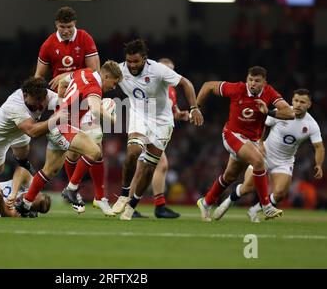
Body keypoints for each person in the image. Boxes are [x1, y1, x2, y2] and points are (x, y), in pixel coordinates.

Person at [111, 39, 204, 220]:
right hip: (138, 117)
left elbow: (186, 83)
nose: (132, 65)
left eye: (136, 61)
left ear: (145, 59)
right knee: (133, 152)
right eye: (129, 61)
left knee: (149, 168)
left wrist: (194, 108)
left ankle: (132, 207)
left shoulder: (158, 70)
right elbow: (99, 77)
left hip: (161, 122)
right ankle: (123, 195)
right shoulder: (120, 70)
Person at [16, 61, 123, 217]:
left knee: (49, 171)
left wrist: (61, 102)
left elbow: (63, 82)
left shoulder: (84, 72)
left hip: (55, 124)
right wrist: (114, 120)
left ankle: (26, 203)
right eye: (113, 83)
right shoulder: (94, 88)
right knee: (95, 152)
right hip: (65, 127)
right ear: (106, 76)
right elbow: (94, 107)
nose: (113, 87)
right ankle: (71, 189)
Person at [195, 66, 295, 222]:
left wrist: (268, 111)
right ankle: (266, 206)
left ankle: (206, 202)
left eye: (257, 81)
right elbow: (208, 85)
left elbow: (290, 113)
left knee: (230, 176)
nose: (252, 84)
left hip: (251, 141)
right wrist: (196, 108)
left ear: (264, 82)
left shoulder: (269, 93)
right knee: (258, 161)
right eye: (250, 80)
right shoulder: (237, 89)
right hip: (231, 134)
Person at [35, 7, 109, 213]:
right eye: (62, 27)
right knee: (73, 152)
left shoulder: (84, 38)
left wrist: (68, 76)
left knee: (96, 143)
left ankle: (97, 195)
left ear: (74, 24)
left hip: (85, 97)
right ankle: (73, 190)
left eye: (69, 27)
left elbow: (95, 71)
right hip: (64, 101)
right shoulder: (49, 44)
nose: (66, 30)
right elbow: (39, 77)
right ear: (56, 25)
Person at [212, 88, 324, 222]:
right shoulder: (281, 113)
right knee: (248, 187)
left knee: (280, 194)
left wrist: (318, 165)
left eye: (302, 102)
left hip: (284, 161)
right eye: (296, 100)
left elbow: (319, 147)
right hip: (264, 155)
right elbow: (261, 124)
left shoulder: (312, 125)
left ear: (309, 104)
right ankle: (228, 201)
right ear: (292, 100)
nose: (298, 104)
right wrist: (259, 143)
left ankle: (254, 210)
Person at [0, 77, 59, 206]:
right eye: (36, 100)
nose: (39, 104)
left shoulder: (45, 95)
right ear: (25, 95)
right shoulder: (14, 105)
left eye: (41, 99)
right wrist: (57, 119)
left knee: (24, 151)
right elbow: (33, 131)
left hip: (19, 128)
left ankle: (23, 164)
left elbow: (67, 103)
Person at [132, 58, 189, 219]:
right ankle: (158, 206)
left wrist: (180, 114)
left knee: (141, 169)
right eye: (165, 69)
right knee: (160, 164)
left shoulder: (170, 89)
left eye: (171, 70)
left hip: (156, 132)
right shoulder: (151, 86)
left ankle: (129, 205)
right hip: (145, 129)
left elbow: (173, 110)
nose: (168, 73)